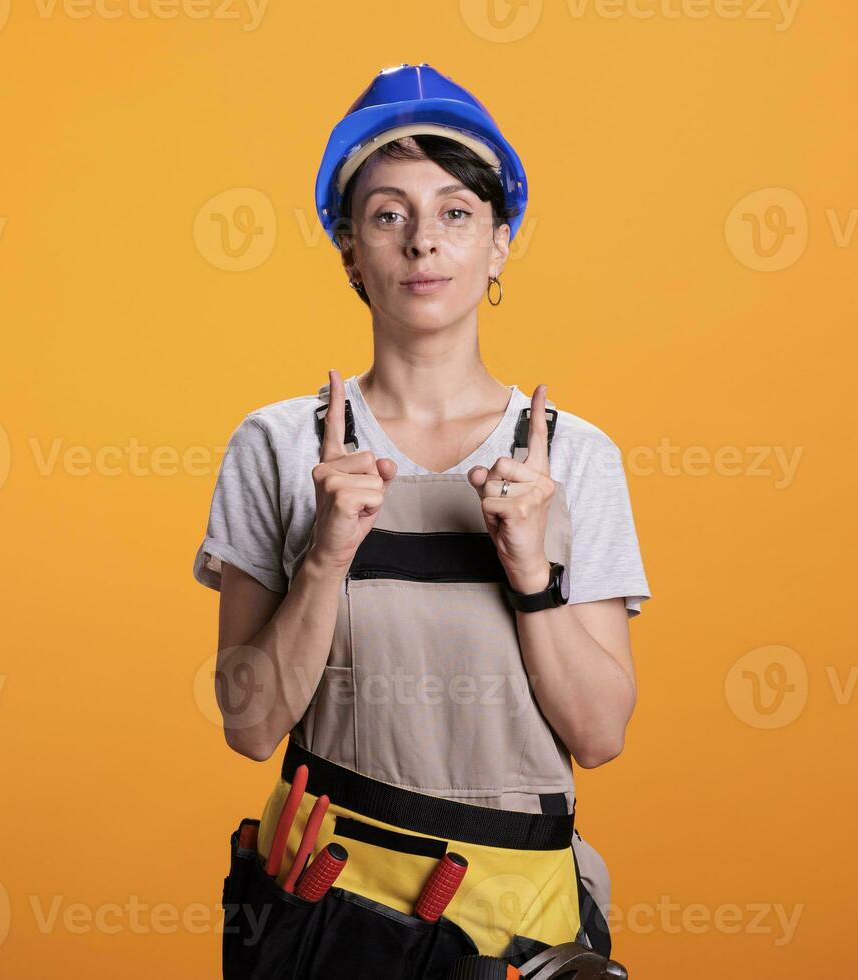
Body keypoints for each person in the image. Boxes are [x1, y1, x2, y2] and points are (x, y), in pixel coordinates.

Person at [195, 63, 651, 978]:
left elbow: (600, 738)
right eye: (388, 214)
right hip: (326, 910)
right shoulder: (277, 446)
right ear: (350, 251)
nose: (422, 243)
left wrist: (533, 573)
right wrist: (326, 555)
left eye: (454, 212)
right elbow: (249, 725)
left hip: (517, 914)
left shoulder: (575, 458)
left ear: (499, 244)